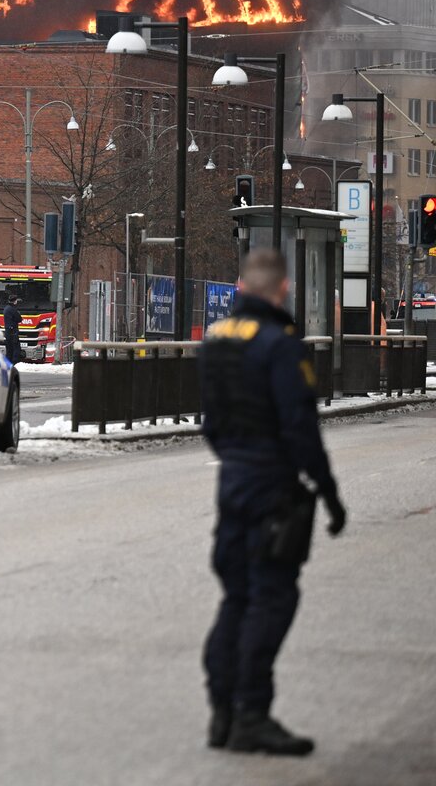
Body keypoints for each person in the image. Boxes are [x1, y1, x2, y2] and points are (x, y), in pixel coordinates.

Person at [199, 249, 346, 757]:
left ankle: (222, 710)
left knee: (236, 596)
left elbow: (211, 423)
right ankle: (252, 715)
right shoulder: (280, 346)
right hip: (272, 486)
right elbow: (300, 428)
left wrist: (235, 460)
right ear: (281, 289)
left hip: (233, 480)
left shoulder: (216, 342)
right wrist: (328, 494)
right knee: (272, 597)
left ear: (241, 288)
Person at [2, 293, 24, 364]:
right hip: (13, 332)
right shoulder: (13, 309)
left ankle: (8, 362)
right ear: (15, 301)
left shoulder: (6, 308)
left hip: (8, 331)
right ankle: (15, 362)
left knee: (9, 348)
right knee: (15, 348)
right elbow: (19, 319)